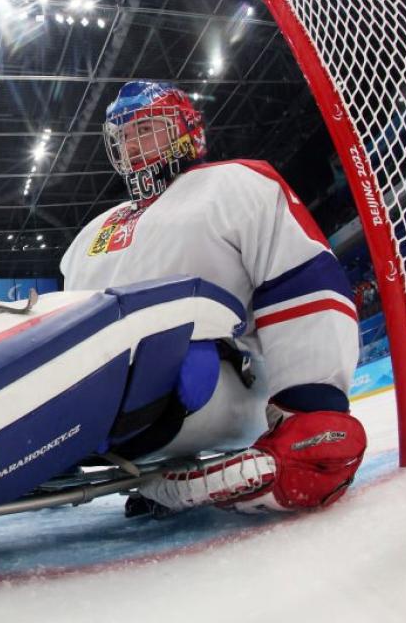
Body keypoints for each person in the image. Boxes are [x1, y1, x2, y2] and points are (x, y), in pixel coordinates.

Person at [59, 81, 366, 515]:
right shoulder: (89, 234)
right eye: (123, 137)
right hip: (106, 400)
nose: (133, 145)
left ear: (187, 131)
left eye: (145, 129)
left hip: (212, 378)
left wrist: (311, 405)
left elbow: (300, 277)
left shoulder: (235, 183)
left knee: (177, 360)